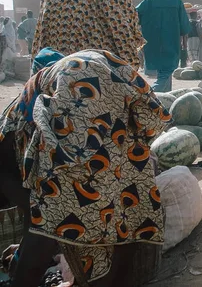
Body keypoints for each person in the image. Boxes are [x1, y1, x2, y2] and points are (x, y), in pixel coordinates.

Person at [0, 48, 171, 286]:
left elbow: (38, 222)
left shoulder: (4, 158)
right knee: (125, 200)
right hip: (113, 77)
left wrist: (21, 264)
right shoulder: (14, 125)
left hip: (78, 92)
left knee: (51, 221)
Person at [137, 0, 191, 92]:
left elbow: (134, 14)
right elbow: (185, 27)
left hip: (153, 44)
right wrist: (184, 45)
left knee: (163, 72)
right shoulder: (176, 2)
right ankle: (150, 94)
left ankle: (165, 99)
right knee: (165, 73)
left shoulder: (149, 1)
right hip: (170, 43)